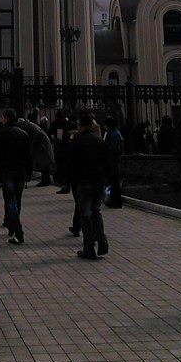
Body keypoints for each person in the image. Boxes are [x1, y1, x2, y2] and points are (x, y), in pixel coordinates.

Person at [69, 111, 109, 260]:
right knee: (96, 211)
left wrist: (69, 180)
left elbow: (71, 162)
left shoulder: (77, 141)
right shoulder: (99, 141)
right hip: (98, 181)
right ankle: (102, 240)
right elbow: (107, 161)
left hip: (83, 181)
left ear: (80, 125)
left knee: (85, 214)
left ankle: (89, 248)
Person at [0, 109, 31, 245]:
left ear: (6, 118)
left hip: (7, 172)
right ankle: (12, 226)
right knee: (17, 200)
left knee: (10, 201)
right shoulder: (24, 134)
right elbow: (28, 155)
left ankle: (18, 231)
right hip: (20, 172)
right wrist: (28, 173)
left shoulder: (1, 134)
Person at [18, 116, 54, 187]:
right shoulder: (28, 126)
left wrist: (30, 149)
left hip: (42, 146)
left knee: (44, 162)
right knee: (42, 163)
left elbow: (34, 139)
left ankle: (46, 180)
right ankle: (45, 180)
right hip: (39, 146)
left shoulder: (31, 127)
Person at [103, 116, 124, 208]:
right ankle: (114, 201)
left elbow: (112, 149)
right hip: (114, 162)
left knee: (114, 183)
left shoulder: (114, 134)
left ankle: (116, 202)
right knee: (113, 183)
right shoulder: (114, 133)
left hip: (113, 162)